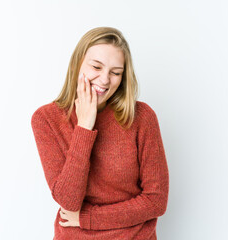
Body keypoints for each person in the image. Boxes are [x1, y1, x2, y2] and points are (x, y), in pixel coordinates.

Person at [31, 26, 169, 240]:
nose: (105, 80)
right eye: (96, 66)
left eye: (115, 73)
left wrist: (88, 218)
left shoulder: (141, 117)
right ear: (78, 64)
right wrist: (85, 125)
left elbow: (155, 201)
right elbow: (68, 201)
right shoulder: (46, 119)